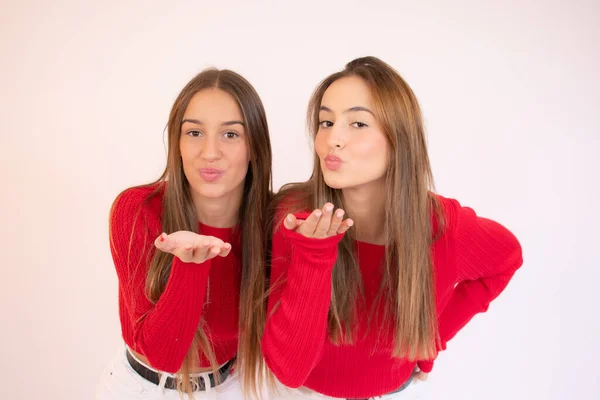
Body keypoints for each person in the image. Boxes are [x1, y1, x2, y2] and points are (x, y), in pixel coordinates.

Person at [261, 56, 523, 400]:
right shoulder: (294, 217)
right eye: (326, 122)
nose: (332, 140)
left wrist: (430, 340)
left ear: (398, 137)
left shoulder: (443, 227)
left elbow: (507, 258)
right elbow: (289, 369)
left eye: (357, 124)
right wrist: (314, 255)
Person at [97, 67, 272, 399]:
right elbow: (163, 354)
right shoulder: (137, 210)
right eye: (194, 133)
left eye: (230, 134)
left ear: (256, 147)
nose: (209, 152)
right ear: (177, 142)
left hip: (231, 387)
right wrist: (190, 266)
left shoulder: (269, 223)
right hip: (142, 389)